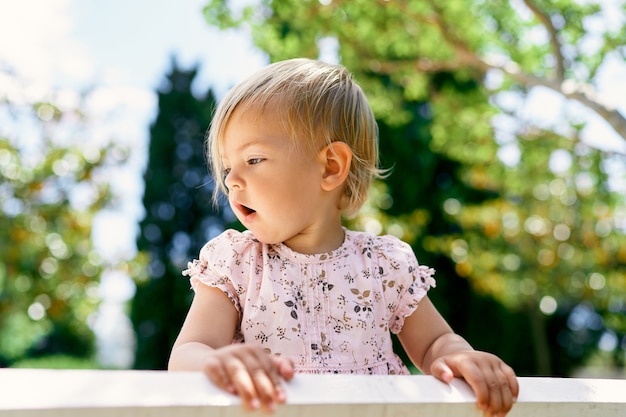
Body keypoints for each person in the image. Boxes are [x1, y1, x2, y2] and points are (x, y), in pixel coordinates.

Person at [168, 58, 519, 416]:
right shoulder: (237, 262)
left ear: (331, 166)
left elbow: (434, 343)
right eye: (228, 168)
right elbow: (188, 352)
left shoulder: (382, 265)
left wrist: (459, 356)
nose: (231, 181)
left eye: (254, 159)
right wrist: (218, 364)